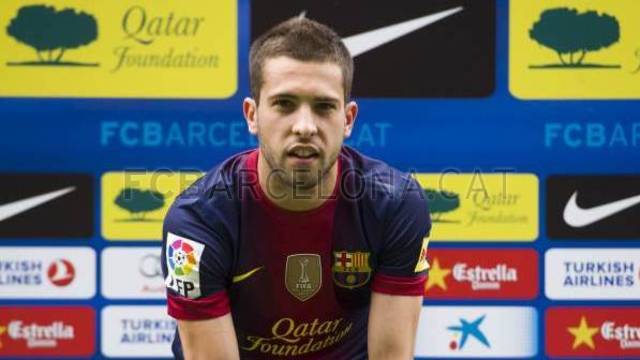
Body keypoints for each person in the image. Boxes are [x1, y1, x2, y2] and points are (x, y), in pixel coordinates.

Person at [162, 16, 431, 360]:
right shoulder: (195, 225)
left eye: (323, 107)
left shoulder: (396, 205)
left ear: (347, 119)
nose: (305, 127)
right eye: (284, 104)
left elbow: (391, 356)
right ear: (252, 114)